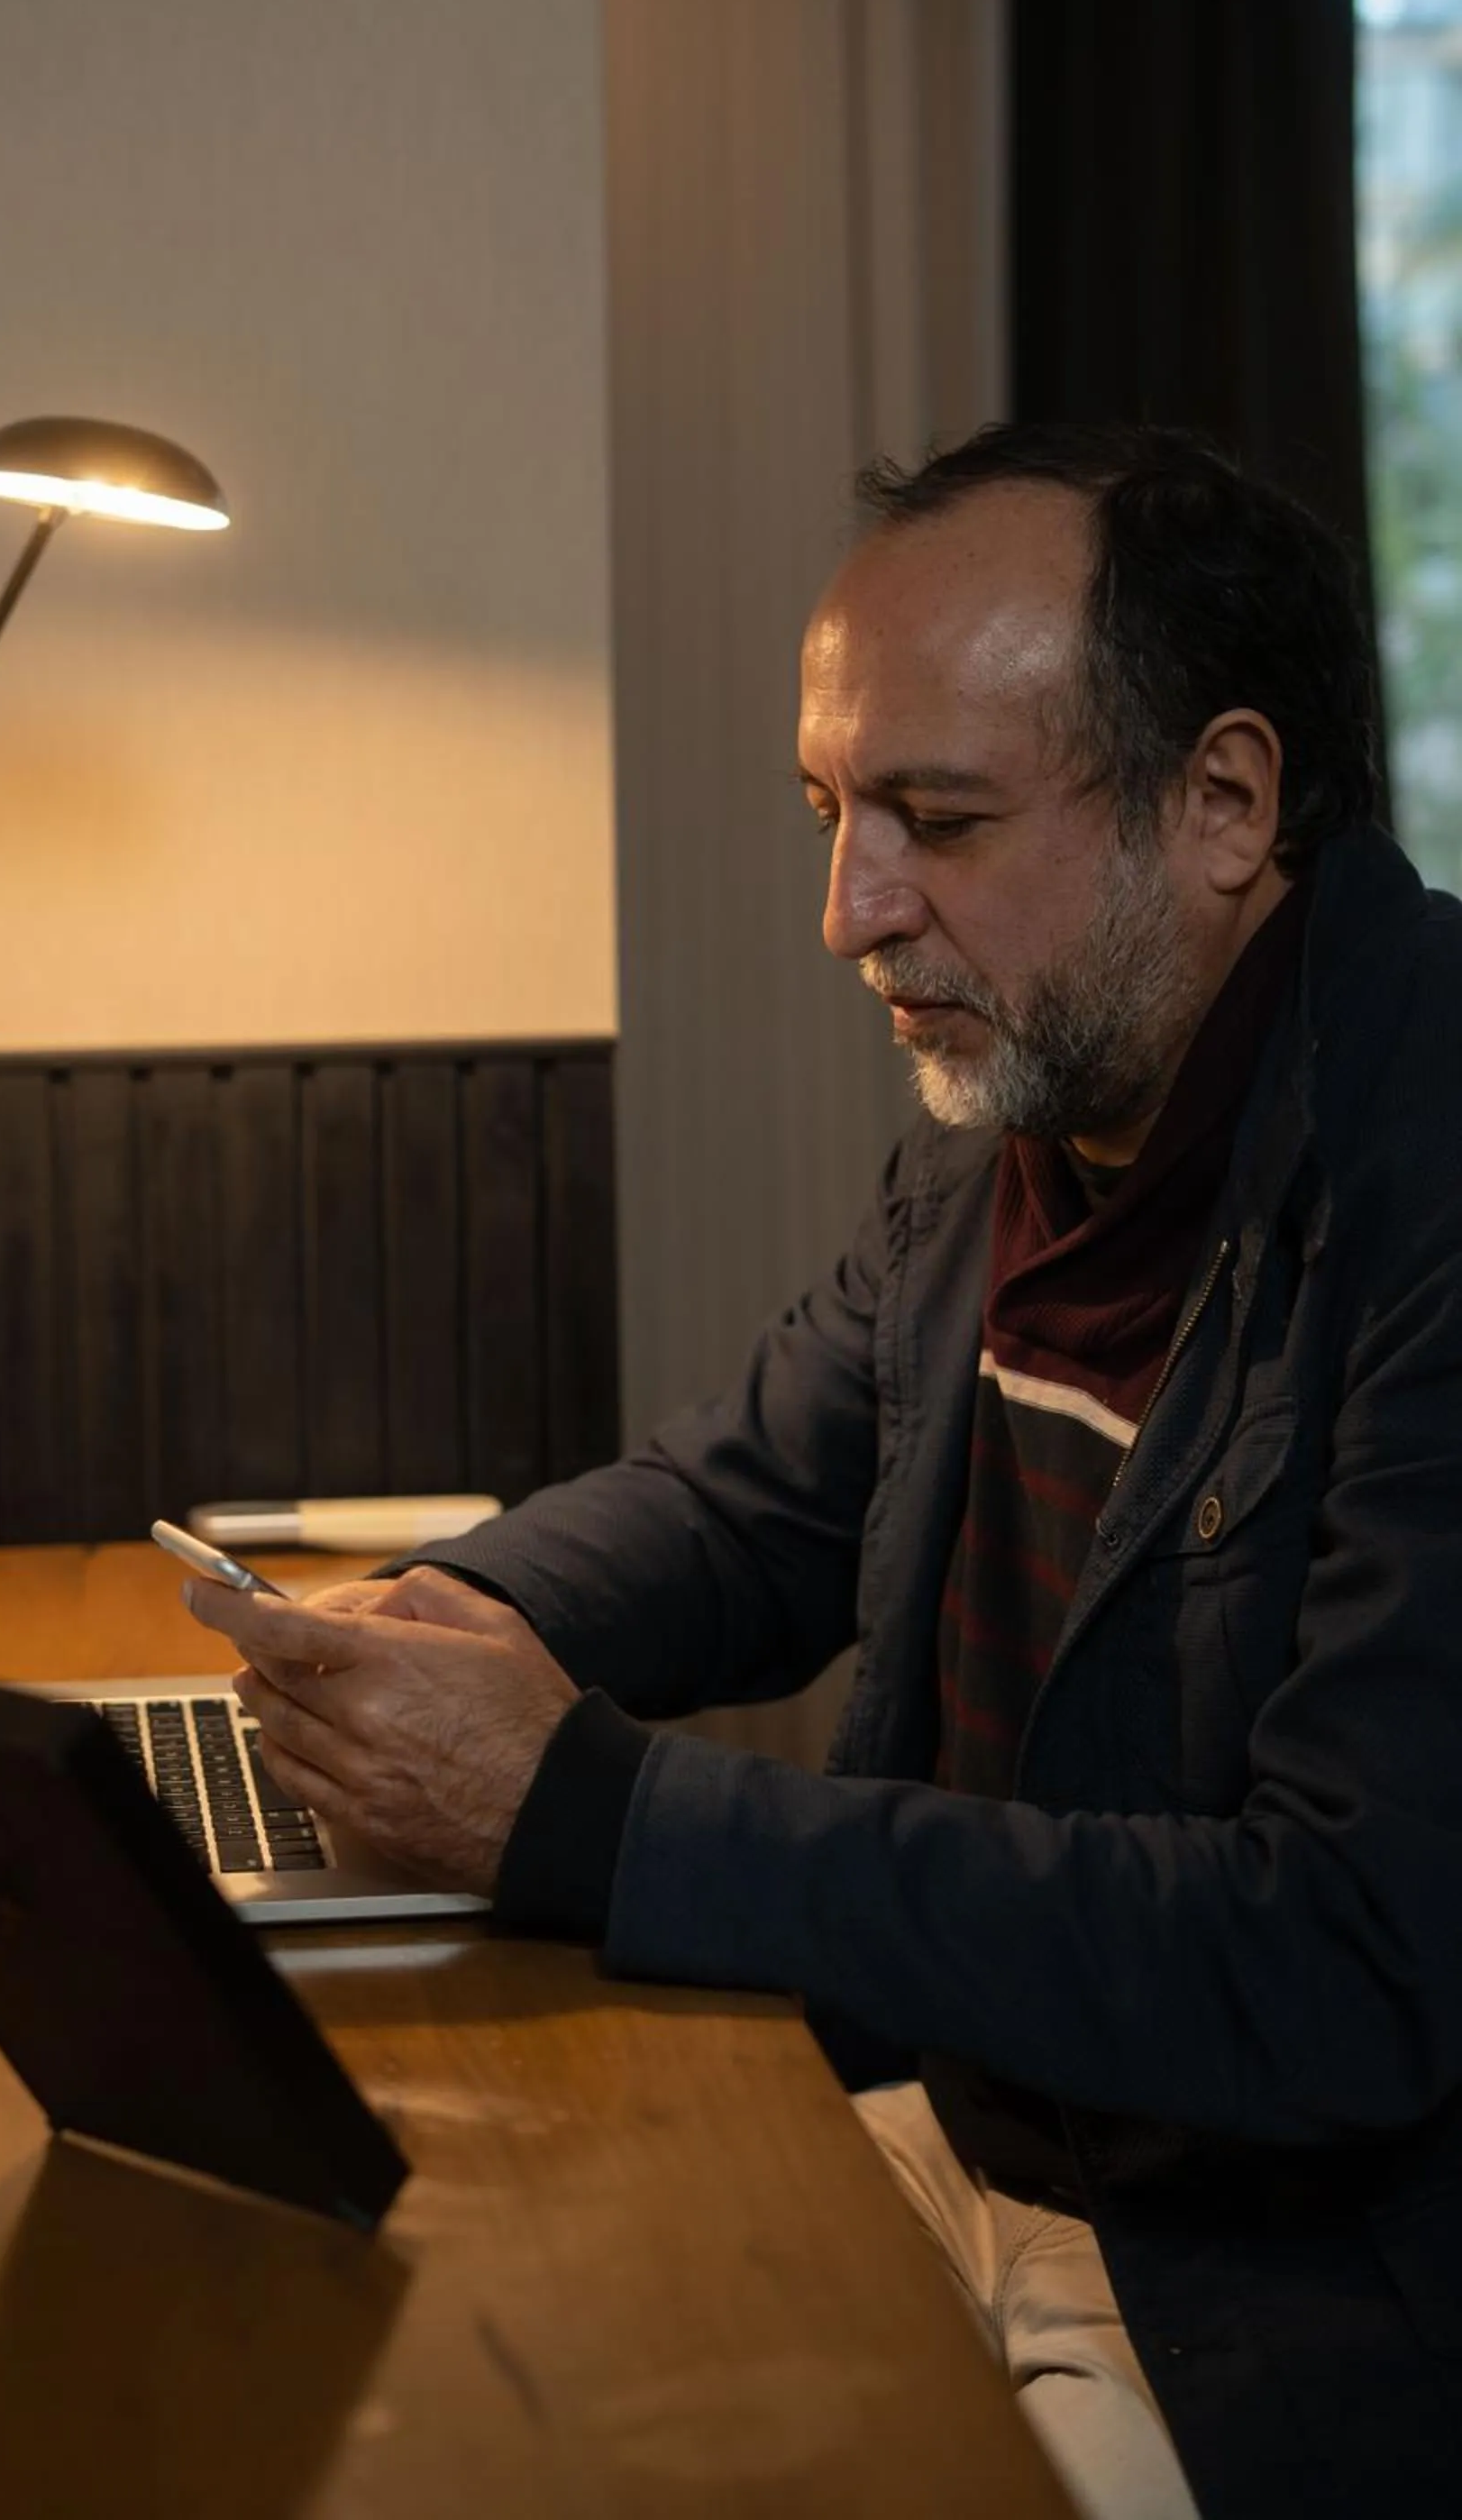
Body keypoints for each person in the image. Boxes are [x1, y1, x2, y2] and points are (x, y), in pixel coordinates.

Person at [184, 422, 1462, 2520]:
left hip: (1269, 2288)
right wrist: (432, 1640)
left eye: (933, 819)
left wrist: (581, 1805)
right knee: (404, 2380)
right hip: (958, 2130)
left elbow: (1335, 1957)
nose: (846, 909)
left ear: (1223, 804)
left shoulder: (1426, 1180)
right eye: (828, 811)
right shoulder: (1016, 1136)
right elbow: (744, 1502)